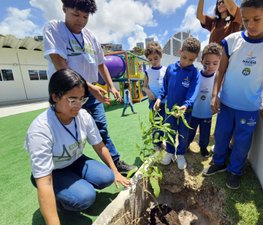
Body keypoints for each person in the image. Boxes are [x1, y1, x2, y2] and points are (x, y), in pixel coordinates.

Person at [202, 0, 263, 189]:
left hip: (250, 108)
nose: (250, 25)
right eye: (245, 20)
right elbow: (221, 71)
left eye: (256, 19)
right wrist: (214, 95)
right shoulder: (232, 41)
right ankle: (218, 163)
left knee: (242, 142)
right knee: (221, 136)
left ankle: (235, 171)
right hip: (227, 104)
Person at [25, 69, 131, 225]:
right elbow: (45, 182)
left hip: (75, 160)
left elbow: (100, 146)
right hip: (54, 170)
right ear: (55, 97)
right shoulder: (40, 129)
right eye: (72, 99)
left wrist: (116, 172)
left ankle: (73, 187)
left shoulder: (83, 116)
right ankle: (63, 202)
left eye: (81, 99)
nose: (78, 105)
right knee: (86, 197)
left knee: (107, 176)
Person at [43, 0, 137, 174]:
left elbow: (102, 64)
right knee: (63, 133)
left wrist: (111, 86)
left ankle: (115, 163)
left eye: (85, 16)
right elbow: (60, 64)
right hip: (66, 95)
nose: (80, 20)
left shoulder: (91, 37)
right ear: (64, 9)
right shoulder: (55, 29)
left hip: (91, 94)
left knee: (101, 128)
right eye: (75, 14)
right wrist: (89, 87)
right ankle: (57, 172)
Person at [153, 37, 201, 170]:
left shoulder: (194, 72)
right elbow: (165, 86)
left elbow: (193, 91)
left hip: (185, 110)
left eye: (191, 60)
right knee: (170, 131)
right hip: (170, 109)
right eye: (184, 57)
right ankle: (169, 152)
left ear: (195, 59)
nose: (186, 62)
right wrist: (159, 98)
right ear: (180, 52)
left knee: (183, 132)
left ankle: (180, 154)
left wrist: (187, 104)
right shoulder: (170, 69)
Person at [187, 43, 222, 157]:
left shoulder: (218, 79)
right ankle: (186, 144)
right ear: (201, 61)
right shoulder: (196, 75)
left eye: (215, 63)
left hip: (207, 113)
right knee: (190, 131)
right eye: (207, 63)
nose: (210, 66)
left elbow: (219, 94)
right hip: (194, 112)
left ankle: (203, 147)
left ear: (219, 63)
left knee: (205, 133)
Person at [143, 41, 167, 151]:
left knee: (164, 123)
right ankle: (156, 143)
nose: (153, 61)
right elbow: (144, 86)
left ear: (160, 56)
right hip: (153, 102)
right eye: (150, 59)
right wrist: (148, 92)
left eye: (156, 58)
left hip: (164, 101)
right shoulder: (148, 72)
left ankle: (162, 141)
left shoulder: (166, 70)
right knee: (156, 123)